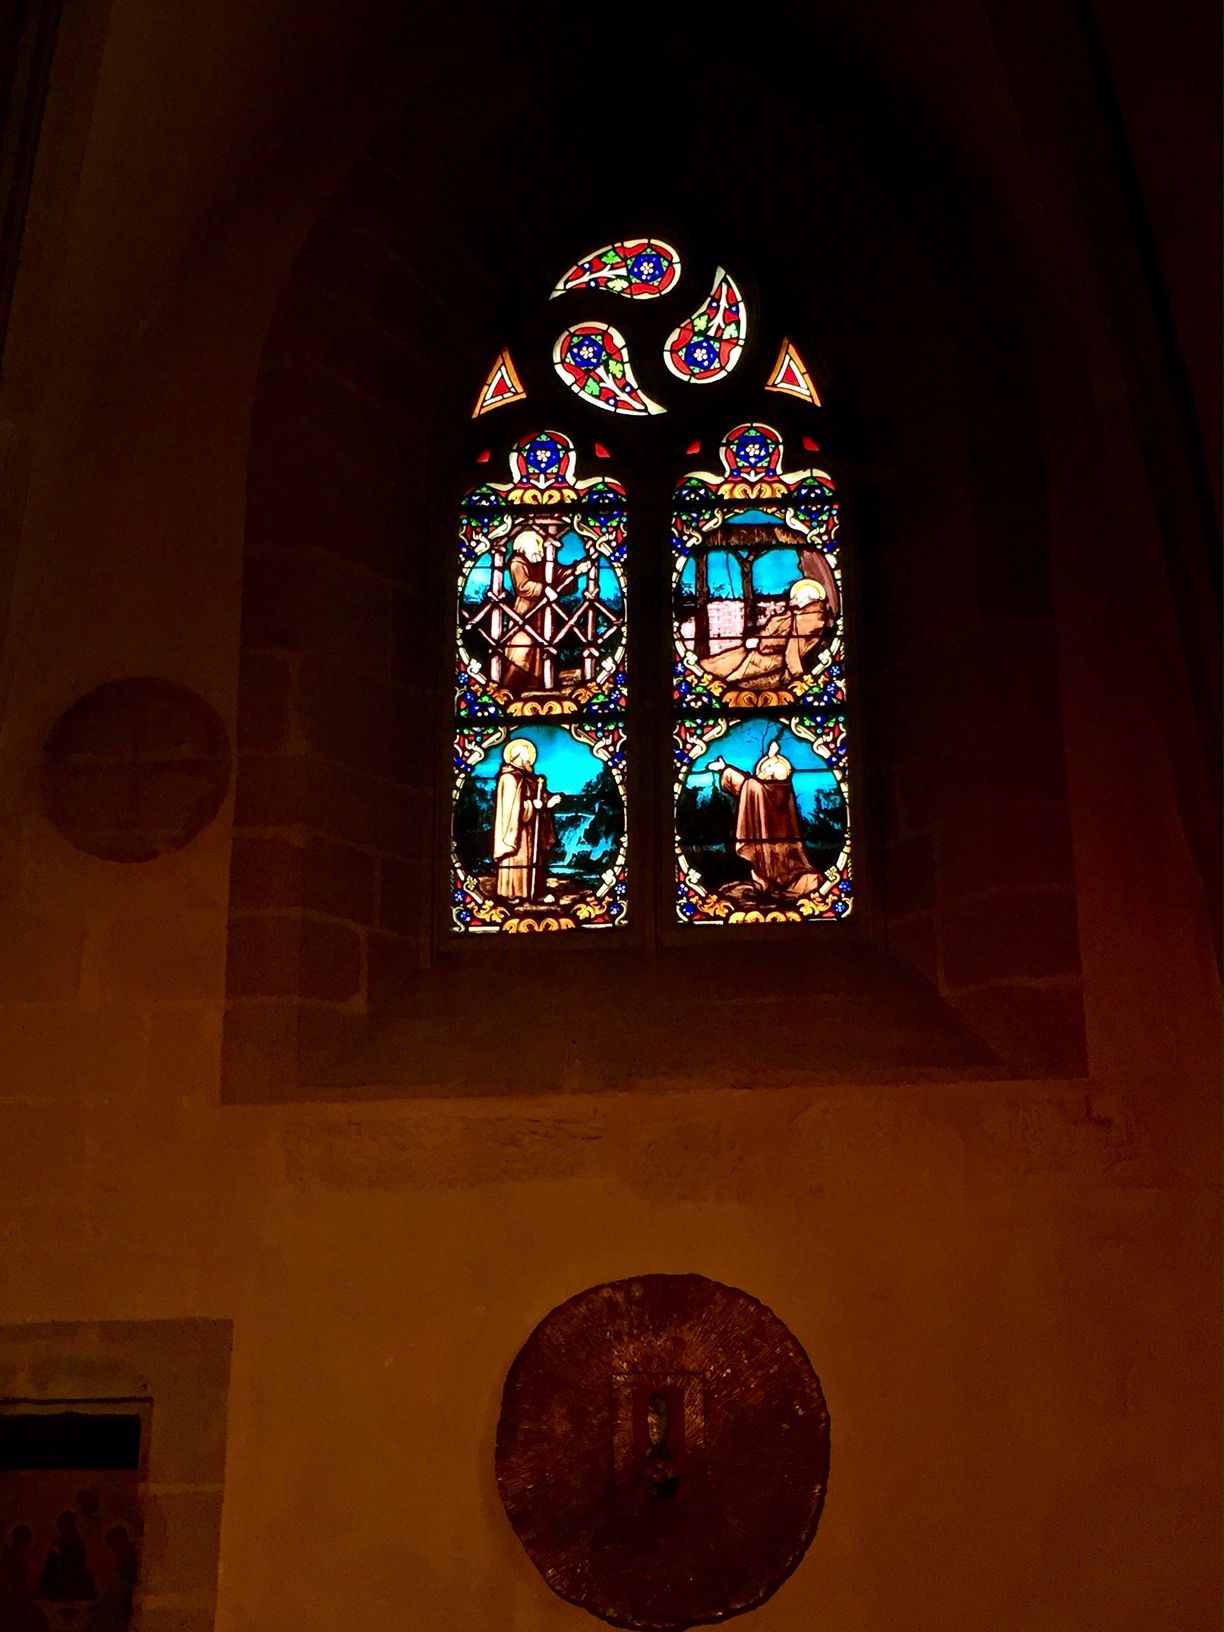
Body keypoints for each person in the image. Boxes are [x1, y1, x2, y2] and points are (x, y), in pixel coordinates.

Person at [707, 741, 824, 899]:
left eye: (769, 767)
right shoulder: (760, 788)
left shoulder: (778, 788)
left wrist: (727, 769)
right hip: (765, 847)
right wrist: (725, 768)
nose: (765, 770)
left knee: (800, 876)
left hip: (784, 847)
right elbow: (748, 787)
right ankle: (769, 886)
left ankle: (776, 886)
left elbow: (750, 786)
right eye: (765, 767)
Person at [699, 577, 833, 691]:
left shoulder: (812, 618)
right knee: (717, 662)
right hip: (761, 651)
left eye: (797, 596)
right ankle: (699, 672)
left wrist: (761, 642)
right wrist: (758, 639)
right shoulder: (793, 614)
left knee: (729, 678)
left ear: (807, 598)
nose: (793, 598)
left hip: (774, 658)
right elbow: (769, 632)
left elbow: (794, 644)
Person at [500, 528, 590, 696]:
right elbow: (522, 586)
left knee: (541, 651)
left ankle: (536, 686)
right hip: (524, 614)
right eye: (534, 547)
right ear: (523, 548)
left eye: (538, 547)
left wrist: (575, 571)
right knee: (521, 650)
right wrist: (544, 589)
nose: (538, 550)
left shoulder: (544, 564)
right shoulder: (517, 562)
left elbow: (559, 574)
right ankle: (509, 689)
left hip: (543, 615)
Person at [493, 739, 561, 904]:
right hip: (516, 832)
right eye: (527, 756)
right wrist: (532, 805)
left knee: (534, 860)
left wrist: (548, 803)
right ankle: (513, 894)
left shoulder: (530, 779)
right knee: (518, 859)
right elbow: (509, 809)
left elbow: (541, 797)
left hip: (531, 830)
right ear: (517, 757)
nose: (530, 759)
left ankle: (536, 892)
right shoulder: (508, 778)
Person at [0, 1525, 50, 1632]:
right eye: (24, 1539)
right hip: (10, 1600)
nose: (27, 1543)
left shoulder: (20, 1557)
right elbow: (8, 1582)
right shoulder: (9, 1557)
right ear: (17, 1539)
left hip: (19, 1597)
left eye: (28, 1540)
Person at [38, 1512, 97, 1602]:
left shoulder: (79, 1545)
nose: (64, 1527)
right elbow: (51, 1567)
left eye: (67, 1524)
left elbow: (82, 1565)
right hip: (61, 1580)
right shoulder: (58, 1546)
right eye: (62, 1524)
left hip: (77, 1580)